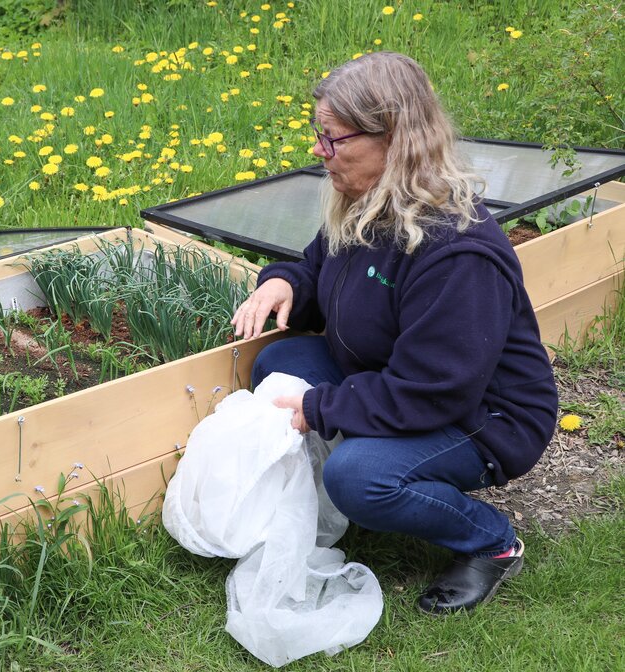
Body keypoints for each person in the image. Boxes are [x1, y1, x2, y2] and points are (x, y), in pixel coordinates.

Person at [230, 52, 558, 614]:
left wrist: (323, 407)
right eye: (318, 135)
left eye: (332, 139)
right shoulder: (370, 204)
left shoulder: (457, 252)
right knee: (277, 365)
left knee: (358, 478)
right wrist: (284, 282)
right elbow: (318, 266)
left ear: (393, 139)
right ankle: (362, 474)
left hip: (480, 416)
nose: (318, 151)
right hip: (398, 377)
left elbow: (434, 388)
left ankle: (491, 543)